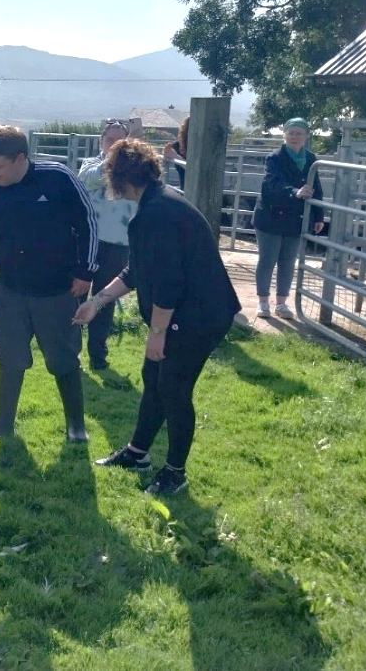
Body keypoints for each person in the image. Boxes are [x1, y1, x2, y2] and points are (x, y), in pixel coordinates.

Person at [72, 138, 240, 495]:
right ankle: (137, 453)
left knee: (174, 389)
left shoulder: (157, 214)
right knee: (155, 378)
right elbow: (139, 269)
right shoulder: (156, 204)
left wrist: (159, 331)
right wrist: (98, 301)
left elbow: (168, 282)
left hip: (199, 315)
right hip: (187, 309)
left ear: (119, 178)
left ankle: (175, 472)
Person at [0, 125, 98, 443]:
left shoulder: (58, 178)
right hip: (10, 291)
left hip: (58, 291)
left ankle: (76, 427)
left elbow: (88, 222)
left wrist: (86, 272)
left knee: (63, 360)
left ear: (20, 159)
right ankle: (3, 427)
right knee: (9, 359)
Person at [76, 120, 137, 371]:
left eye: (119, 140)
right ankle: (72, 352)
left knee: (105, 300)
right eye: (109, 140)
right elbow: (90, 178)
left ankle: (98, 356)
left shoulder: (134, 171)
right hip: (86, 242)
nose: (114, 145)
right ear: (101, 142)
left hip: (118, 244)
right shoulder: (90, 165)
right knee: (76, 295)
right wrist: (114, 159)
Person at [251, 117, 325, 319]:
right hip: (271, 216)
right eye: (291, 132)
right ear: (284, 134)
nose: (294, 137)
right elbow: (271, 183)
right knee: (267, 260)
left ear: (306, 136)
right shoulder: (274, 158)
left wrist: (319, 216)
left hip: (296, 218)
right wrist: (294, 192)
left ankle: (281, 304)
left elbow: (316, 187)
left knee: (288, 261)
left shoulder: (311, 158)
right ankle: (263, 302)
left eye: (299, 133)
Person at [162, 116, 190, 189]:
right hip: (184, 191)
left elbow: (198, 173)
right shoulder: (177, 146)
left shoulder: (204, 148)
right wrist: (165, 156)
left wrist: (175, 156)